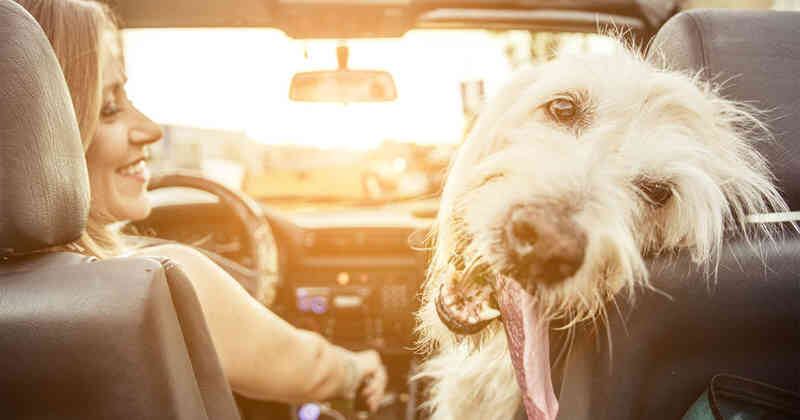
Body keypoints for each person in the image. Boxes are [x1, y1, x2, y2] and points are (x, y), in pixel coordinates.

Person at [16, 0, 388, 410]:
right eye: (109, 107)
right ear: (43, 131)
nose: (151, 129)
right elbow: (310, 369)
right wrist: (359, 368)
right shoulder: (162, 282)